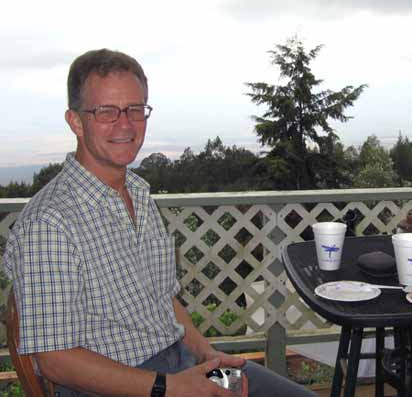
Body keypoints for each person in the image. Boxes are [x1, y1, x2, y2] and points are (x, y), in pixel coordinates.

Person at [2, 48, 316, 397]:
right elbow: (56, 360)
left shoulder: (138, 195)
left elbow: (162, 302)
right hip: (115, 386)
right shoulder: (51, 222)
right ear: (76, 121)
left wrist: (207, 355)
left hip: (176, 366)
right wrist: (169, 387)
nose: (125, 124)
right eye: (106, 111)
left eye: (135, 109)